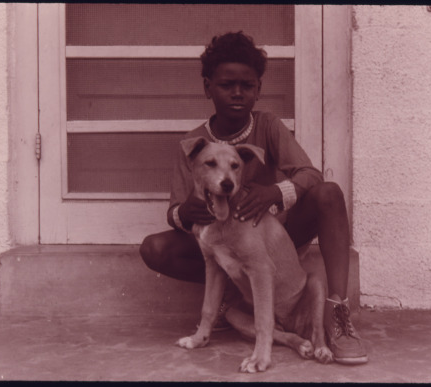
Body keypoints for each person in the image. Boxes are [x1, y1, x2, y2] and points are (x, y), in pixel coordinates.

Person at [140, 31, 367, 365]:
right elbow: (173, 212)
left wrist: (274, 193)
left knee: (329, 193)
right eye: (226, 84)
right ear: (207, 88)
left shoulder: (268, 126)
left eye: (247, 85)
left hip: (277, 237)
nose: (237, 93)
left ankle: (337, 314)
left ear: (258, 90)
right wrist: (187, 212)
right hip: (217, 231)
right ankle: (233, 296)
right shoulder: (192, 144)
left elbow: (310, 175)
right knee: (154, 248)